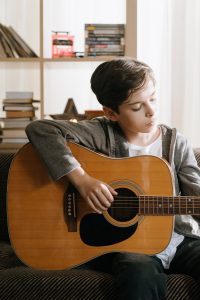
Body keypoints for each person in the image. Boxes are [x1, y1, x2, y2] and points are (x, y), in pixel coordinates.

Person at [26, 58, 200, 300]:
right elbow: (40, 129)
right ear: (111, 113)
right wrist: (82, 180)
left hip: (179, 239)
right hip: (133, 246)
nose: (151, 111)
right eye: (137, 107)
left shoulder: (175, 143)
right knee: (138, 273)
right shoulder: (101, 133)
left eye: (153, 98)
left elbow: (196, 196)